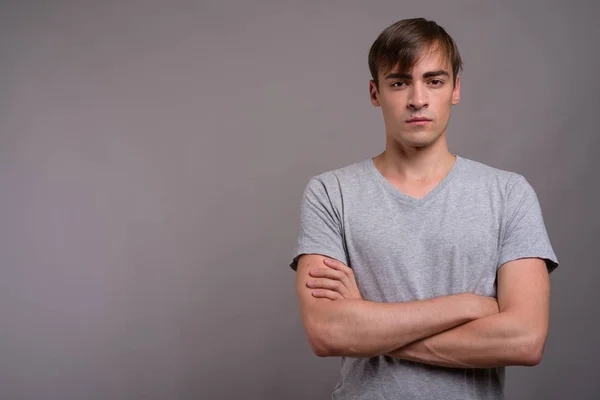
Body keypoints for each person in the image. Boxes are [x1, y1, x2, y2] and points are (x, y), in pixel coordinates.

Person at [289, 17, 559, 400]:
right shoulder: (331, 193)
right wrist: (468, 306)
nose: (418, 98)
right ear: (374, 93)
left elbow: (524, 339)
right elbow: (327, 332)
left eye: (434, 80)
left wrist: (368, 325)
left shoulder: (509, 193)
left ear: (455, 90)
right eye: (399, 82)